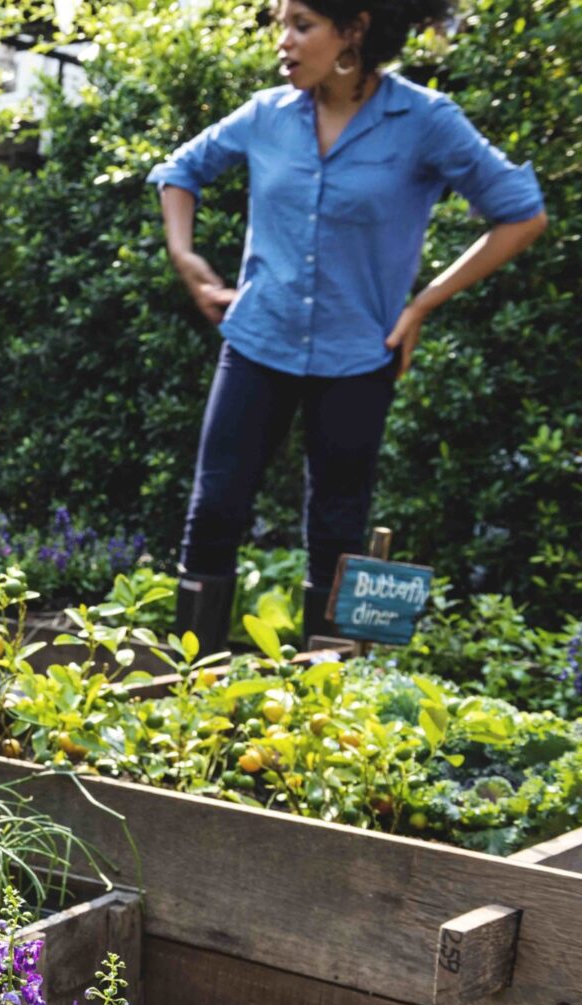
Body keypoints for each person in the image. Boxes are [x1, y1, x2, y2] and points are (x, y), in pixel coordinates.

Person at [150, 0, 547, 651]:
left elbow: (521, 213)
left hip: (360, 356)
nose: (284, 41)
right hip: (257, 342)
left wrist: (423, 304)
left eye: (301, 25)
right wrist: (184, 253)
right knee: (214, 512)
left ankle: (322, 712)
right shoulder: (265, 115)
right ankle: (191, 698)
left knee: (338, 531)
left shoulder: (424, 122)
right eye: (281, 23)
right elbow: (179, 171)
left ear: (354, 30)